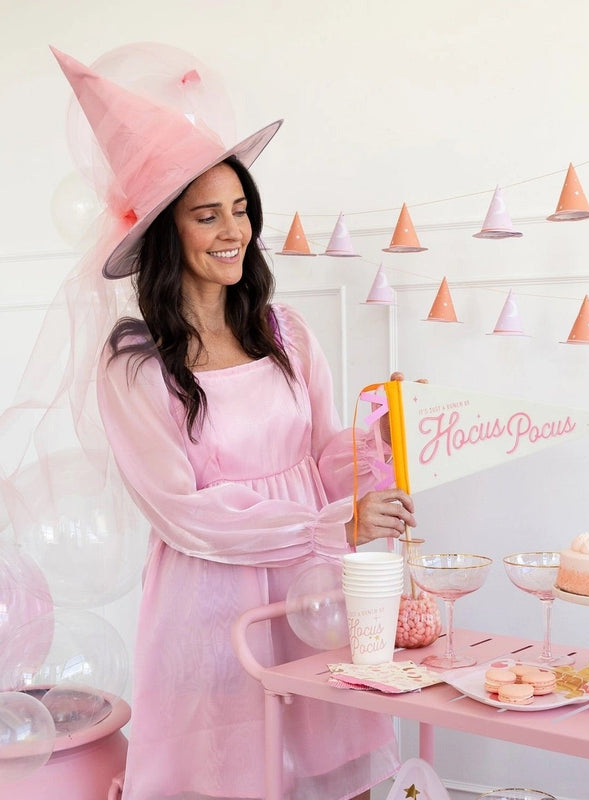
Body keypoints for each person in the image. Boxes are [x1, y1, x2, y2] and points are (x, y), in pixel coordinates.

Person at [53, 48, 416, 800]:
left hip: (311, 594)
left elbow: (321, 452)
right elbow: (187, 514)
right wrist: (331, 526)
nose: (233, 231)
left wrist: (382, 451)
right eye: (207, 214)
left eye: (241, 208)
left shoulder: (282, 331)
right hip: (210, 610)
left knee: (335, 766)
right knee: (232, 776)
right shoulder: (137, 365)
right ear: (166, 233)